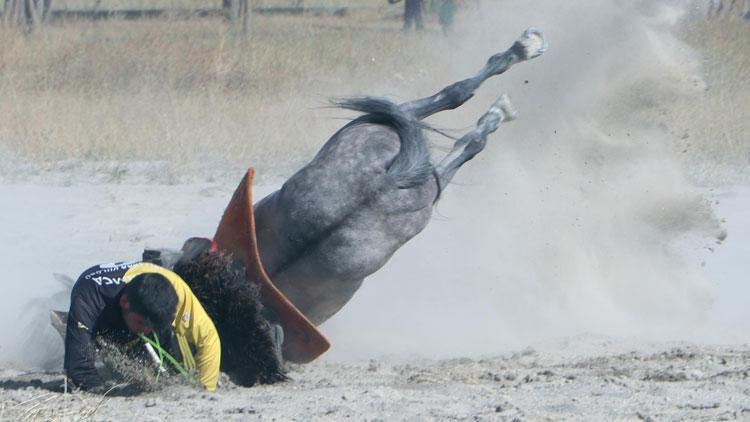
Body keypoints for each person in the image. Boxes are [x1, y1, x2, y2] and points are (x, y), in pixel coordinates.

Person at [64, 261, 221, 392]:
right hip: (102, 313)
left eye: (151, 327)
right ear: (125, 302)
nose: (147, 331)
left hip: (140, 296)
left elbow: (208, 338)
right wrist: (104, 395)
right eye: (142, 324)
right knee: (85, 349)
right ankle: (77, 327)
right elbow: (80, 370)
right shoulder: (89, 298)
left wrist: (205, 390)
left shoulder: (174, 291)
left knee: (166, 348)